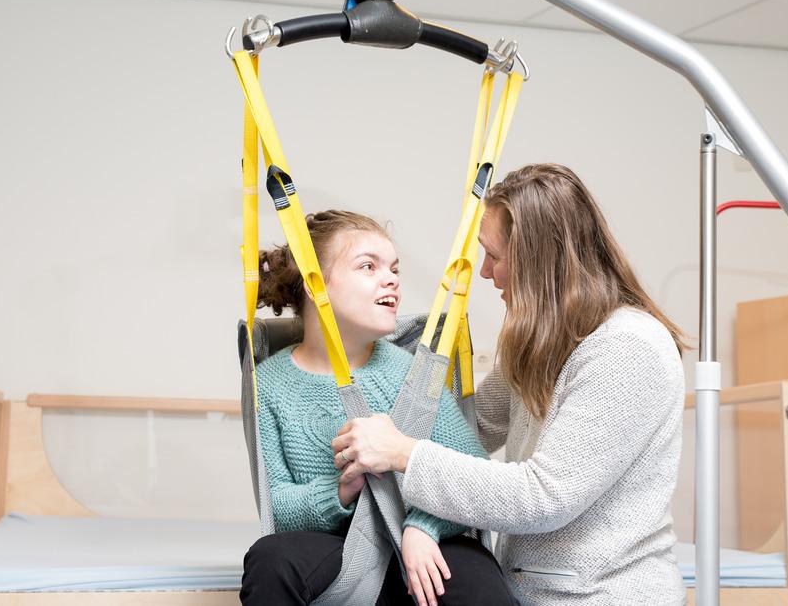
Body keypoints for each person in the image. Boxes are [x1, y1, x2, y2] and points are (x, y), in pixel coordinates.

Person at [333, 165, 689, 605]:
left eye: (494, 256)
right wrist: (368, 358)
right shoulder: (542, 345)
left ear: (538, 260)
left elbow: (543, 497)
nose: (485, 272)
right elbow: (467, 426)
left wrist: (402, 452)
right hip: (530, 591)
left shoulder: (627, 350)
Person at [240, 209, 513, 606]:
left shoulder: (415, 372)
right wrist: (340, 491)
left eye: (394, 269)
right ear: (314, 283)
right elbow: (277, 505)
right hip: (336, 549)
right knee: (270, 560)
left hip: (421, 545)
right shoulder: (269, 386)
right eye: (368, 266)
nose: (391, 279)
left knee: (480, 582)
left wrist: (424, 526)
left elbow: (473, 473)